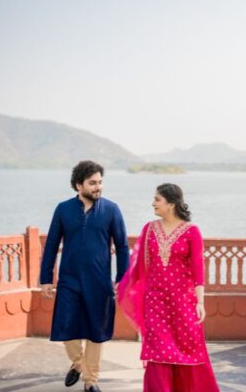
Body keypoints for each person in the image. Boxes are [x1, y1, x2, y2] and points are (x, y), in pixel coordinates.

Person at [117, 183, 220, 392]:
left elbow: (198, 270)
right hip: (155, 301)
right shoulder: (149, 229)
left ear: (171, 204)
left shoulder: (192, 231)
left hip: (183, 302)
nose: (153, 203)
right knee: (158, 352)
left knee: (187, 349)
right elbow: (139, 266)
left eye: (157, 200)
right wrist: (123, 285)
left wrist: (200, 302)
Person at [40, 160, 129, 392]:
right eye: (92, 183)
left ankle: (91, 380)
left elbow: (121, 246)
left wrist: (123, 277)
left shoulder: (111, 209)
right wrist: (47, 278)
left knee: (96, 331)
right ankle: (78, 363)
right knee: (66, 325)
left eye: (100, 182)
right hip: (69, 280)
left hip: (99, 282)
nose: (97, 187)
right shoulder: (63, 209)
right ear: (78, 185)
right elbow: (51, 245)